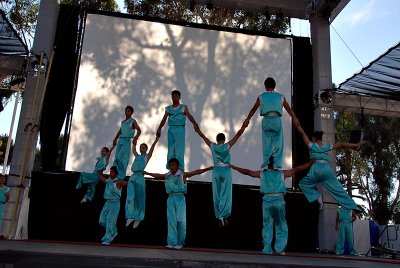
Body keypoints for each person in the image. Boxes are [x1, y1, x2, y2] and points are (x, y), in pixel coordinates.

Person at [231, 157, 315, 255]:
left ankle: (267, 249)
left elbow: (248, 172)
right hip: (279, 201)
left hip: (267, 201)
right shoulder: (281, 174)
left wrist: (235, 167)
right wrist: (309, 163)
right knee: (281, 224)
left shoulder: (262, 173)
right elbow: (296, 169)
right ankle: (279, 249)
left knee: (267, 225)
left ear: (267, 164)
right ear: (276, 164)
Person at [294, 119, 364, 210]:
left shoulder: (312, 145)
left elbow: (302, 133)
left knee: (303, 184)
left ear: (314, 138)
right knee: (337, 188)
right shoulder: (327, 146)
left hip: (316, 169)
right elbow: (342, 144)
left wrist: (297, 125)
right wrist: (356, 144)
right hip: (327, 169)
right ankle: (351, 205)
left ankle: (317, 196)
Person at [143, 158, 212, 249]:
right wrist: (148, 173)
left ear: (177, 166)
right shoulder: (167, 175)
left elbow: (196, 172)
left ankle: (180, 242)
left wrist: (208, 168)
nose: (171, 167)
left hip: (180, 198)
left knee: (181, 221)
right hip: (170, 198)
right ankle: (171, 242)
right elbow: (158, 176)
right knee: (171, 221)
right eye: (170, 165)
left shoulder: (182, 174)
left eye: (173, 165)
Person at [195, 122, 248, 227]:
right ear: (224, 139)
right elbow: (238, 135)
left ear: (217, 140)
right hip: (226, 170)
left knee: (216, 193)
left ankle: (219, 216)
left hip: (216, 170)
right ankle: (224, 215)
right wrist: (244, 126)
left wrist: (198, 131)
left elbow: (204, 137)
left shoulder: (213, 146)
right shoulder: (227, 146)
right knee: (226, 193)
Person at [243, 77, 298, 170]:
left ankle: (265, 164)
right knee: (278, 143)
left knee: (266, 143)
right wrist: (295, 119)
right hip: (276, 120)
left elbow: (253, 109)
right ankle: (277, 165)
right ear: (274, 86)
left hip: (266, 120)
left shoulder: (261, 97)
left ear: (265, 86)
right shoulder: (281, 97)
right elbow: (289, 109)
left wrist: (247, 119)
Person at [156, 90, 199, 171]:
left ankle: (180, 169)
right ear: (171, 97)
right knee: (171, 150)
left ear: (179, 97)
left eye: (176, 96)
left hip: (180, 129)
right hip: (171, 129)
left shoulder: (183, 107)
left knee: (179, 150)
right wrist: (159, 128)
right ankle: (170, 168)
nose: (174, 97)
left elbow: (189, 116)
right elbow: (164, 119)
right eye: (173, 96)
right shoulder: (168, 108)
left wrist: (195, 124)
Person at [125, 136, 160, 228]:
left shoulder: (146, 157)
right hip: (133, 177)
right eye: (140, 148)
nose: (141, 149)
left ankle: (138, 218)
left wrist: (155, 140)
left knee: (139, 199)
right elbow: (133, 150)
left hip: (140, 177)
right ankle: (130, 216)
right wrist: (134, 142)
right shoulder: (137, 156)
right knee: (130, 197)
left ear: (146, 149)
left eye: (143, 148)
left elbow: (152, 148)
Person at [97, 166, 128, 245]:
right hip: (107, 203)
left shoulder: (118, 182)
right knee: (101, 221)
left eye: (112, 172)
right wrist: (98, 171)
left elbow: (127, 183)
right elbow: (101, 176)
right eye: (110, 171)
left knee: (110, 222)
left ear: (116, 173)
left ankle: (107, 239)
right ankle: (113, 231)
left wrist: (134, 181)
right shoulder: (108, 181)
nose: (110, 173)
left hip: (115, 204)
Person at [113, 106, 141, 179]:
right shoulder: (123, 122)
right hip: (120, 140)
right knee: (117, 157)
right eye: (126, 111)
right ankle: (114, 174)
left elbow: (139, 130)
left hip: (127, 140)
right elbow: (120, 131)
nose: (126, 112)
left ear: (131, 113)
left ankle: (121, 176)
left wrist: (135, 138)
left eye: (128, 111)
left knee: (123, 158)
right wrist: (115, 139)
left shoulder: (132, 121)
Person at [0, 174, 10, 239]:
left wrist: (4, 201)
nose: (3, 180)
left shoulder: (6, 188)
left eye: (4, 179)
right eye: (1, 178)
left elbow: (7, 197)